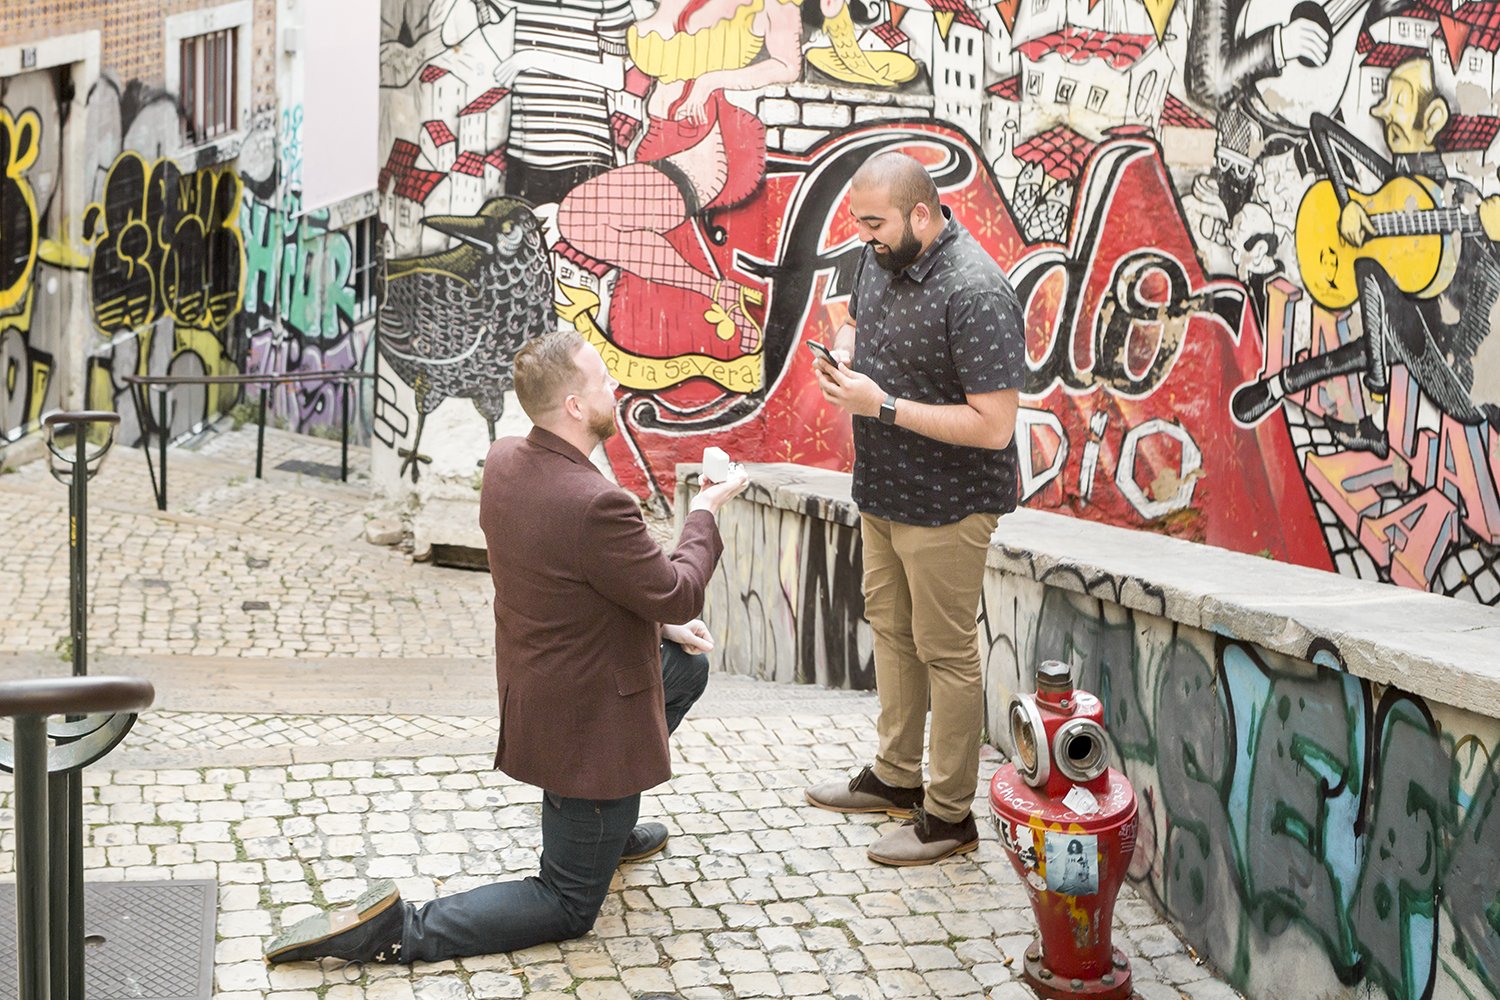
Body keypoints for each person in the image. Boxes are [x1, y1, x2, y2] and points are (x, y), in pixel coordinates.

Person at [263, 330, 748, 965]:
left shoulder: (504, 460)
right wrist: (705, 510)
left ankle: (609, 833)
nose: (616, 386)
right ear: (575, 406)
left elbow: (574, 585)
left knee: (683, 667)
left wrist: (659, 628)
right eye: (603, 379)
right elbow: (680, 592)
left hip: (540, 696)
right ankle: (396, 929)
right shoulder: (598, 502)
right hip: (586, 720)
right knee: (569, 904)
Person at [805, 151, 1025, 866]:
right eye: (860, 224)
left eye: (874, 223)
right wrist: (842, 349)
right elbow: (863, 326)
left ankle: (949, 816)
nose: (863, 237)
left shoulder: (977, 291)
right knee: (894, 635)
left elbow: (995, 426)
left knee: (947, 654)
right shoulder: (882, 258)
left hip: (948, 506)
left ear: (921, 215)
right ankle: (895, 777)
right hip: (884, 491)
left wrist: (884, 407)